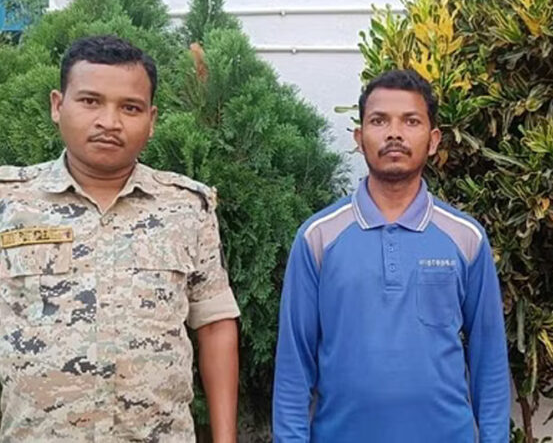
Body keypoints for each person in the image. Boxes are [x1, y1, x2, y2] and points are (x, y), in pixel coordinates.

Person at [0, 35, 240, 442]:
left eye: (130, 107)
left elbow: (215, 325)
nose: (109, 122)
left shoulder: (187, 206)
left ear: (152, 119)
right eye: (90, 101)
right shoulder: (9, 202)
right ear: (58, 105)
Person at [272, 69, 510, 442]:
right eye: (379, 121)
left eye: (410, 121)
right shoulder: (318, 237)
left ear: (433, 140)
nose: (394, 133)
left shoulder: (466, 238)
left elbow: (490, 359)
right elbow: (293, 364)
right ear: (359, 137)